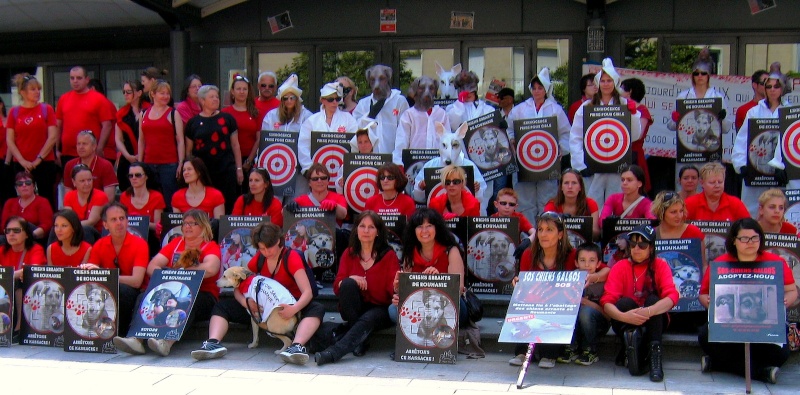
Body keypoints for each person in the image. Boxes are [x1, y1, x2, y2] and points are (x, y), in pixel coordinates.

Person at [192, 222, 325, 364]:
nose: (267, 252)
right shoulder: (259, 258)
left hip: (290, 305)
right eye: (262, 248)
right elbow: (239, 286)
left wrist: (293, 309)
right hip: (261, 308)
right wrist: (246, 303)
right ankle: (213, 342)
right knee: (222, 306)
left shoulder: (291, 257)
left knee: (317, 308)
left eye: (269, 247)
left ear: (279, 241)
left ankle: (296, 346)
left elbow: (308, 292)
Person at [698, 218, 798, 384]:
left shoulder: (776, 262)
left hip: (765, 326)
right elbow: (703, 294)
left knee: (781, 354)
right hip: (730, 328)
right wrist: (711, 302)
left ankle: (719, 364)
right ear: (734, 241)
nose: (750, 243)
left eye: (754, 238)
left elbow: (791, 290)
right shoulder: (720, 263)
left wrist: (784, 302)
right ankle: (760, 372)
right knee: (705, 336)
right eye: (744, 239)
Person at [115, 209, 220, 356]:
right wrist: (170, 274)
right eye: (185, 223)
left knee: (187, 301)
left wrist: (183, 270)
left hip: (203, 295)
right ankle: (135, 339)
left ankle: (166, 343)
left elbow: (211, 268)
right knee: (145, 296)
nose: (187, 227)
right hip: (172, 291)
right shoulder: (176, 244)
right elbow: (152, 266)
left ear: (203, 226)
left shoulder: (210, 246)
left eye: (193, 223)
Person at [511, 212, 608, 368]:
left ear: (561, 234)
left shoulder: (572, 255)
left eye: (549, 230)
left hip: (560, 305)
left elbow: (606, 271)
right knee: (521, 300)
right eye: (540, 229)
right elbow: (524, 282)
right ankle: (522, 351)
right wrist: (517, 282)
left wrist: (593, 277)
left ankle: (549, 353)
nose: (543, 234)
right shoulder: (529, 254)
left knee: (556, 305)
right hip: (536, 300)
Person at [314, 211, 399, 365]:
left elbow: (392, 290)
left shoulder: (388, 255)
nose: (366, 231)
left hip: (379, 309)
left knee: (368, 317)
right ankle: (361, 340)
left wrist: (397, 286)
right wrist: (351, 278)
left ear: (378, 232)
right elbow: (337, 287)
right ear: (356, 230)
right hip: (354, 308)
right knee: (347, 284)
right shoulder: (349, 253)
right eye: (362, 226)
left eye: (371, 227)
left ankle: (333, 353)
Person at [600, 224, 679, 382]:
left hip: (653, 319)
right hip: (626, 318)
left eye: (642, 245)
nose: (637, 248)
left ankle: (655, 357)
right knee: (623, 303)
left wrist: (649, 311)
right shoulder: (620, 266)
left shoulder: (660, 264)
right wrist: (624, 317)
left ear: (651, 247)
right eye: (633, 244)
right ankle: (630, 347)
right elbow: (606, 301)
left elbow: (672, 296)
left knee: (654, 300)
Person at [570, 58, 642, 212]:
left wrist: (634, 114)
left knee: (616, 205)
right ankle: (593, 236)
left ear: (615, 82)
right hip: (593, 166)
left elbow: (635, 136)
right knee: (591, 204)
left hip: (617, 167)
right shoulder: (586, 107)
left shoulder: (624, 104)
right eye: (603, 80)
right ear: (598, 83)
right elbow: (575, 136)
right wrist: (580, 164)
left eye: (609, 80)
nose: (606, 84)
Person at [667, 49, 736, 196]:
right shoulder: (683, 96)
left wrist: (722, 118)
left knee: (710, 188)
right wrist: (675, 118)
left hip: (710, 153)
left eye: (703, 73)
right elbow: (671, 126)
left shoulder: (718, 97)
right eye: (696, 73)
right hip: (687, 151)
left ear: (709, 76)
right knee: (686, 189)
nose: (700, 76)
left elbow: (726, 129)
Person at [507, 68, 571, 221]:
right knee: (524, 201)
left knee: (547, 200)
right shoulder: (519, 110)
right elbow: (509, 130)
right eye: (534, 88)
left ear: (546, 89)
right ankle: (528, 234)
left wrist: (560, 149)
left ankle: (548, 231)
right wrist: (512, 141)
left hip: (548, 164)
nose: (536, 91)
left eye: (540, 88)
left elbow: (566, 134)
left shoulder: (556, 110)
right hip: (524, 163)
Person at [80, 202, 148, 336]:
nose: (119, 223)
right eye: (114, 220)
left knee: (122, 290)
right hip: (106, 290)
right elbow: (92, 275)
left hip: (133, 293)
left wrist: (107, 275)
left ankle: (121, 333)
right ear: (105, 225)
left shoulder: (140, 244)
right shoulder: (100, 244)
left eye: (122, 218)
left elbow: (136, 281)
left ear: (127, 221)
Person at [389, 208, 466, 324]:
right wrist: (399, 291)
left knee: (457, 309)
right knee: (392, 310)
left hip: (447, 303)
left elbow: (458, 289)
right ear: (414, 231)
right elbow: (408, 290)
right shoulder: (410, 253)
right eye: (419, 226)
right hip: (420, 304)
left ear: (437, 228)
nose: (424, 231)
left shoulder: (451, 251)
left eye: (429, 225)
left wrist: (436, 280)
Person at [734, 72, 787, 214]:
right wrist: (741, 165)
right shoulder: (753, 112)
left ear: (782, 89)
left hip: (781, 174)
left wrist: (786, 167)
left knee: (779, 209)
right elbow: (742, 139)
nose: (772, 89)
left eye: (776, 86)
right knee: (752, 209)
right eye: (768, 86)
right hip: (756, 172)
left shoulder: (789, 112)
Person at [186, 84, 243, 213]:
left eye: (217, 97)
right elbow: (189, 151)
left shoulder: (228, 119)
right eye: (211, 97)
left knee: (228, 204)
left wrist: (239, 169)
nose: (216, 99)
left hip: (226, 169)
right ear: (202, 100)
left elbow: (235, 145)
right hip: (203, 172)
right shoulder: (193, 123)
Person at [5, 73, 58, 209]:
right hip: (21, 163)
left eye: (38, 89)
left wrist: (38, 159)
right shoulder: (14, 112)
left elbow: (52, 136)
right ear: (23, 92)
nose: (37, 92)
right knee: (23, 197)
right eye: (33, 89)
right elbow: (10, 140)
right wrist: (22, 161)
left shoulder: (47, 109)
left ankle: (50, 227)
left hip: (44, 162)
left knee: (47, 198)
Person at [560, 243, 609, 366]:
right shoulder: (570, 279)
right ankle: (571, 347)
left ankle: (590, 350)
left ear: (598, 263)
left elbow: (607, 313)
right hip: (577, 323)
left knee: (585, 311)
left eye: (591, 261)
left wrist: (584, 302)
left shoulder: (603, 282)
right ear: (576, 263)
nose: (587, 265)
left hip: (598, 323)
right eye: (582, 260)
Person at [138, 80, 184, 210]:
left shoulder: (173, 113)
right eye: (162, 93)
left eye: (167, 94)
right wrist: (140, 163)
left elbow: (180, 140)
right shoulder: (144, 113)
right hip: (148, 163)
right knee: (151, 200)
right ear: (152, 94)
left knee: (170, 200)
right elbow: (141, 140)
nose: (165, 96)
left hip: (169, 164)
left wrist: (180, 163)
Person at [56, 66, 115, 165]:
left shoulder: (99, 99)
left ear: (87, 80)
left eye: (79, 78)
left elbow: (107, 125)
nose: (75, 81)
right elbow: (58, 126)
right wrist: (56, 150)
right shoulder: (63, 99)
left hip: (91, 153)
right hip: (68, 153)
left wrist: (99, 148)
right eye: (72, 78)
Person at [298, 82, 358, 178]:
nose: (334, 102)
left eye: (337, 99)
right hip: (317, 175)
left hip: (341, 173)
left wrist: (347, 169)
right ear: (322, 100)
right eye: (330, 99)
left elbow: (355, 145)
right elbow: (303, 146)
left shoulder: (349, 119)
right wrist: (309, 169)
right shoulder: (311, 121)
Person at [0, 216, 46, 342]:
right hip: (4, 291)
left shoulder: (36, 249)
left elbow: (32, 271)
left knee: (19, 282)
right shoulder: (2, 250)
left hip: (31, 292)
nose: (11, 234)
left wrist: (8, 274)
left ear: (26, 234)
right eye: (7, 231)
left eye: (16, 230)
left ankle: (19, 329)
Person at [353, 65, 410, 156]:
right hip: (369, 159)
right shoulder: (363, 104)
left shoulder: (399, 101)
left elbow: (404, 134)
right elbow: (355, 129)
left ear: (388, 79)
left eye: (381, 79)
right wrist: (369, 116)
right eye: (372, 80)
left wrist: (397, 158)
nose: (376, 84)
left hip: (392, 159)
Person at [543, 168, 601, 241]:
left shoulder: (591, 203)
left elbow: (596, 234)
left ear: (580, 187)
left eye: (574, 183)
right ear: (561, 187)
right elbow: (546, 233)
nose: (570, 187)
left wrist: (582, 227)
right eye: (566, 183)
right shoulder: (551, 205)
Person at [62, 130, 118, 203]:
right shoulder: (69, 165)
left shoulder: (105, 165)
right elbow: (68, 195)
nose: (81, 147)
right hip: (76, 208)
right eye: (78, 144)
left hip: (99, 208)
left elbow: (109, 198)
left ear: (94, 146)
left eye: (84, 144)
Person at [222, 75, 260, 178]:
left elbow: (258, 139)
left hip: (251, 161)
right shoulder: (225, 113)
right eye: (238, 89)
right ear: (232, 92)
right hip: (230, 160)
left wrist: (249, 161)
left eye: (244, 89)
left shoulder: (255, 113)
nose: (242, 92)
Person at [115, 80, 150, 192]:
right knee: (127, 190)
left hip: (147, 156)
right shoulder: (121, 113)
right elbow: (118, 139)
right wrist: (127, 155)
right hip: (127, 158)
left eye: (129, 92)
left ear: (139, 93)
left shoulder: (150, 110)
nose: (125, 94)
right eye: (124, 92)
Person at [685, 162, 750, 222]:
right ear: (702, 183)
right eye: (712, 182)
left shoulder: (735, 203)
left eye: (720, 182)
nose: (717, 186)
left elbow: (748, 228)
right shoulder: (690, 203)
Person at [620, 78, 653, 194]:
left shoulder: (642, 109)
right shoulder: (618, 108)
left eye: (622, 88)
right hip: (618, 154)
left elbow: (639, 134)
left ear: (630, 91)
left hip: (634, 154)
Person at [2, 172, 53, 242]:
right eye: (20, 184)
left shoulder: (42, 201)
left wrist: (25, 236)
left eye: (28, 183)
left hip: (33, 237)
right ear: (16, 188)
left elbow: (46, 226)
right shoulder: (9, 202)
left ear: (34, 186)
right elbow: (3, 226)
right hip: (11, 237)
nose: (24, 185)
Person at [119, 162, 166, 235]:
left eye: (138, 175)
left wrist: (140, 221)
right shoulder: (124, 196)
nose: (134, 178)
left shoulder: (157, 197)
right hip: (128, 234)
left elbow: (157, 227)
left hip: (150, 235)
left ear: (146, 176)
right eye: (130, 175)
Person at [63, 164, 109, 235]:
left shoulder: (100, 196)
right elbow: (67, 219)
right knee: (56, 229)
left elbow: (91, 222)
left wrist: (69, 227)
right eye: (82, 181)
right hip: (73, 231)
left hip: (95, 233)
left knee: (86, 229)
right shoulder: (69, 196)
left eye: (89, 180)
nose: (87, 183)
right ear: (74, 182)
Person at [87, 78, 119, 163]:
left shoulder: (103, 103)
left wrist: (99, 148)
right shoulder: (106, 103)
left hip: (104, 152)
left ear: (92, 89)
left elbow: (107, 126)